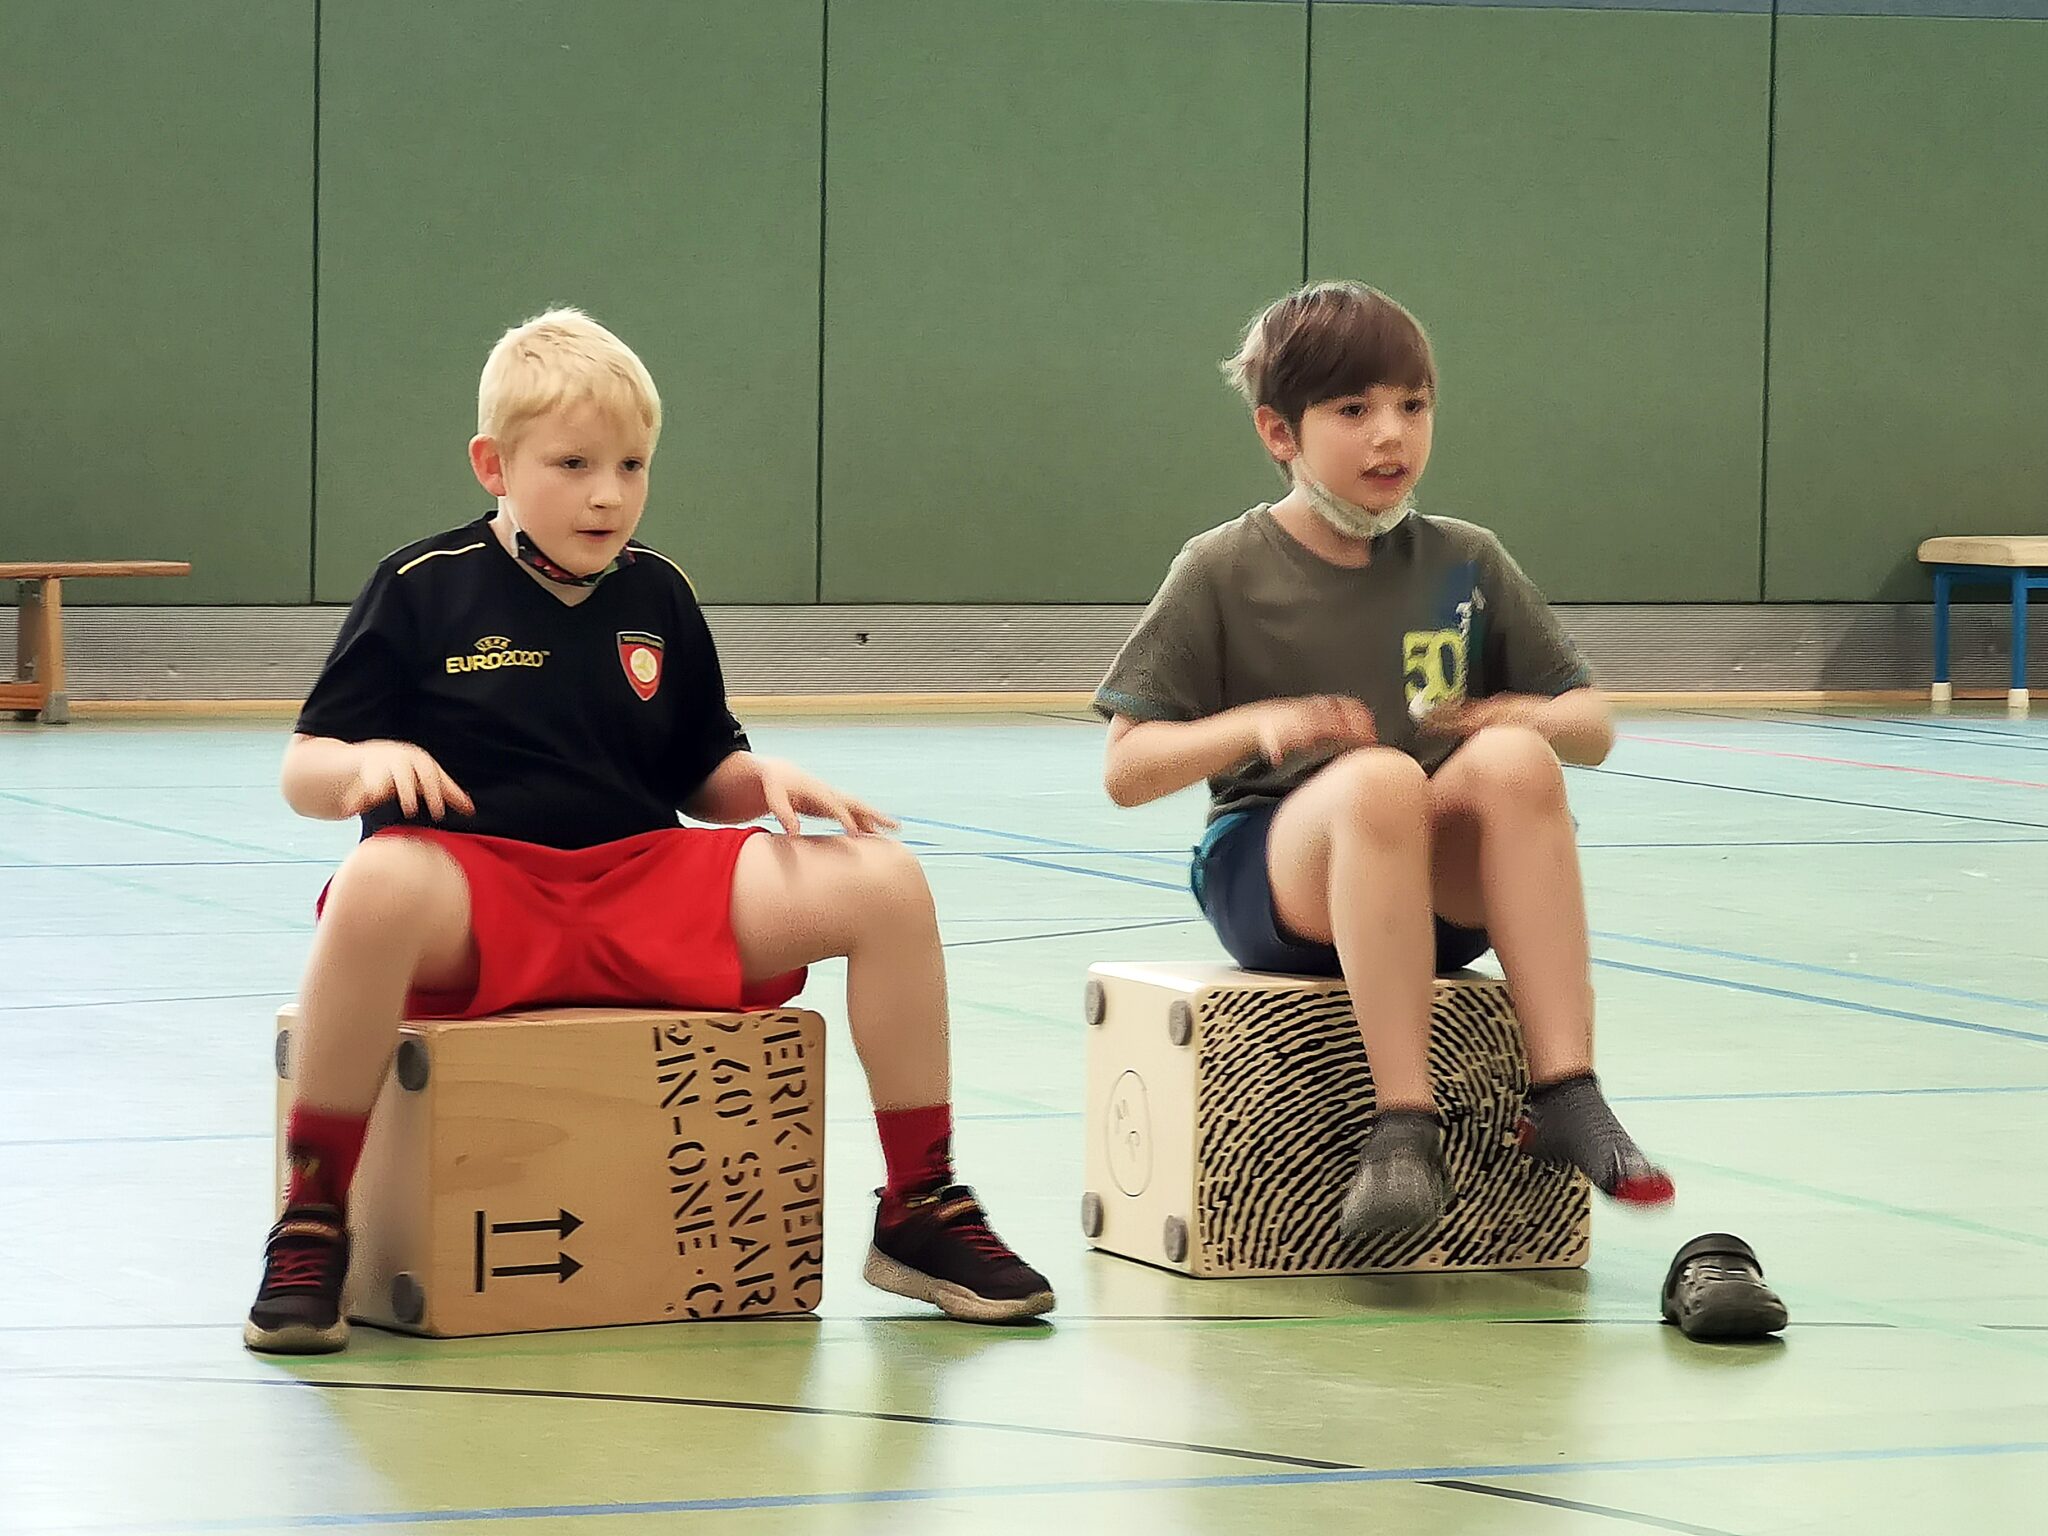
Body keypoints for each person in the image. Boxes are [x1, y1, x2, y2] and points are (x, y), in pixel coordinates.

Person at [246, 307, 1053, 1353]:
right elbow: (303, 772)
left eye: (631, 465)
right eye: (574, 463)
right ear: (494, 464)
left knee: (884, 881)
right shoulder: (422, 586)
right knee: (374, 886)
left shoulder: (657, 594)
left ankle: (921, 1206)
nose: (606, 494)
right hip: (479, 891)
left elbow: (699, 772)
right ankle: (313, 1214)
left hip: (637, 883)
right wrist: (360, 765)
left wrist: (764, 778)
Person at [1094, 281, 1676, 1238]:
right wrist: (1254, 726)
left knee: (1519, 763)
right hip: (1279, 878)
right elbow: (1127, 771)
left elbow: (1592, 728)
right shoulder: (1221, 567)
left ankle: (1566, 1088)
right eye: (1354, 410)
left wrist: (1498, 713)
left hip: (1430, 897)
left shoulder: (1463, 562)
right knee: (1380, 778)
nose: (1390, 436)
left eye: (1413, 405)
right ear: (1279, 433)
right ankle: (1404, 1125)